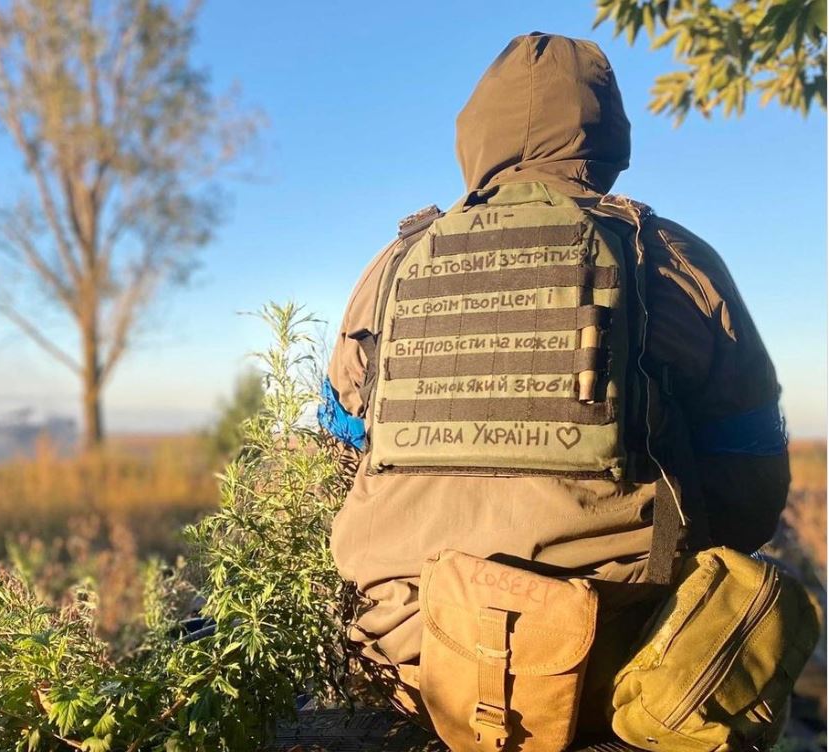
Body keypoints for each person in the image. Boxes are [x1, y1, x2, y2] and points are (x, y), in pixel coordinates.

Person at [319, 32, 790, 746]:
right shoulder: (668, 257)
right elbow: (750, 480)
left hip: (407, 659)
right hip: (611, 665)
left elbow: (343, 435)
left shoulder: (391, 265)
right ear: (606, 138)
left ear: (475, 134)